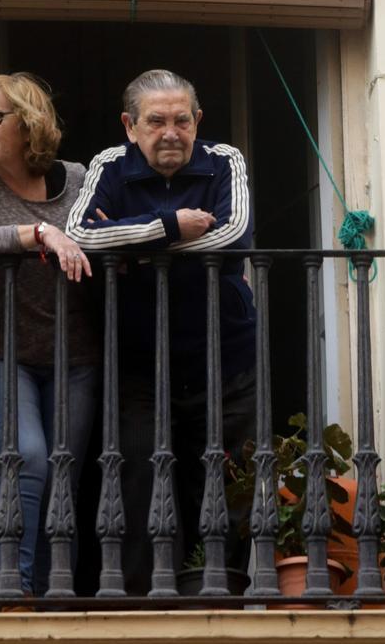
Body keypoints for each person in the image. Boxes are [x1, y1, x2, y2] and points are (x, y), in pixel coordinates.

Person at [66, 68, 256, 593]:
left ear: (197, 121)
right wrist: (171, 228)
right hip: (137, 361)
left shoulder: (226, 160)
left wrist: (131, 246)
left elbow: (235, 236)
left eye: (180, 120)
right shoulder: (107, 164)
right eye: (155, 121)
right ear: (130, 126)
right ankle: (137, 598)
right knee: (136, 478)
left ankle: (224, 594)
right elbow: (80, 235)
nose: (169, 132)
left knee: (226, 481)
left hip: (225, 357)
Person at [0, 72, 100, 595]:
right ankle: (18, 591)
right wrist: (39, 232)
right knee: (28, 456)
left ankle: (59, 596)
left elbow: (104, 236)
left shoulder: (78, 178)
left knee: (64, 474)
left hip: (74, 353)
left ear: (29, 122)